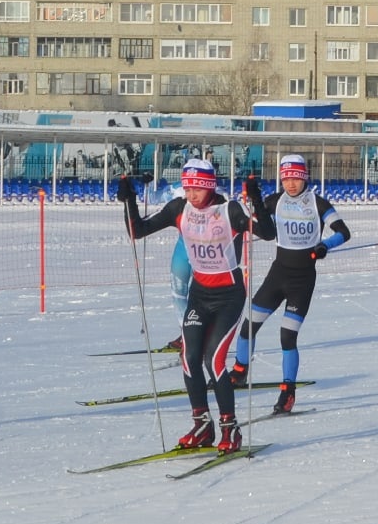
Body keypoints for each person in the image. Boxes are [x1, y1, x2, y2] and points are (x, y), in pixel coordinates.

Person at [120, 157, 258, 450]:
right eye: (187, 188)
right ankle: (202, 425)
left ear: (209, 186)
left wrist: (254, 198)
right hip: (200, 294)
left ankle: (230, 428)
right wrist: (129, 199)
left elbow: (268, 233)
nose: (191, 194)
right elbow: (137, 231)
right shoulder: (179, 208)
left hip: (229, 297)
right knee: (189, 358)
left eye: (197, 188)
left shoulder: (228, 209)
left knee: (215, 361)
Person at [230, 153, 351, 415]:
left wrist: (324, 246)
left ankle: (288, 391)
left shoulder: (318, 204)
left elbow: (344, 232)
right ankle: (240, 369)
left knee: (287, 336)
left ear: (304, 177)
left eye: (295, 178)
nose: (291, 184)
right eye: (286, 178)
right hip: (278, 274)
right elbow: (264, 228)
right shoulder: (275, 201)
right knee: (249, 325)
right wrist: (255, 199)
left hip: (302, 280)